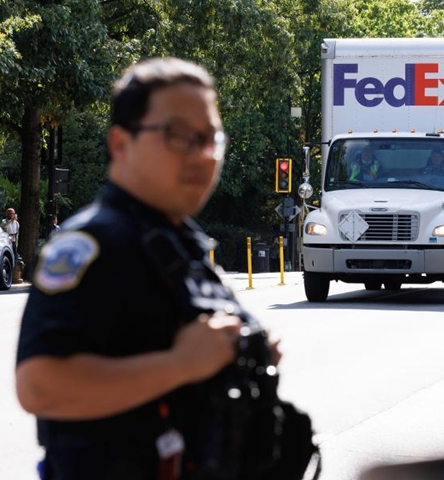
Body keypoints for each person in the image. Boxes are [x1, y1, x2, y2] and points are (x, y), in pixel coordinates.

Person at [14, 58, 279, 480]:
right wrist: (181, 363)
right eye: (178, 135)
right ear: (121, 144)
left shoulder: (180, 242)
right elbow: (38, 386)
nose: (203, 155)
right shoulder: (90, 244)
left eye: (210, 138)